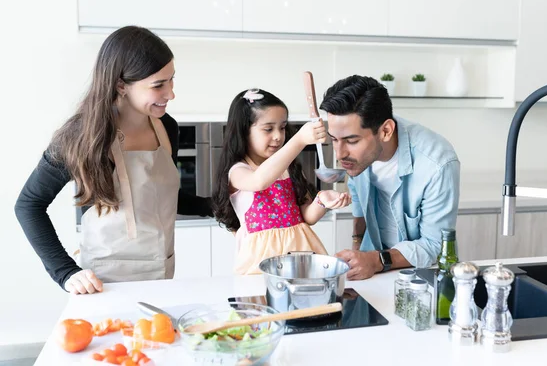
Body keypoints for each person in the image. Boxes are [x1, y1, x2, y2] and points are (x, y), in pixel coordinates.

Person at [14, 26, 213, 295]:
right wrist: (65, 272)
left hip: (162, 274)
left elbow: (163, 199)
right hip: (101, 286)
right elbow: (29, 205)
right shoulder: (81, 137)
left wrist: (220, 206)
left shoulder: (168, 128)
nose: (171, 94)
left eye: (171, 80)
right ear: (121, 85)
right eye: (158, 85)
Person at [319, 75, 460, 280]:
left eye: (351, 140)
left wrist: (377, 260)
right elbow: (358, 198)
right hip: (373, 266)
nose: (340, 154)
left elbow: (435, 245)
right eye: (334, 139)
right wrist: (358, 246)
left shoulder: (437, 164)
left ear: (385, 131)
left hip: (421, 276)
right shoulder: (358, 157)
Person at [212, 88, 351, 274]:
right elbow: (259, 181)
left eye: (283, 127)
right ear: (244, 131)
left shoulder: (288, 168)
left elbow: (306, 217)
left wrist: (322, 200)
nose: (278, 136)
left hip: (300, 256)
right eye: (268, 129)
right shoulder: (238, 171)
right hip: (260, 263)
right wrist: (299, 140)